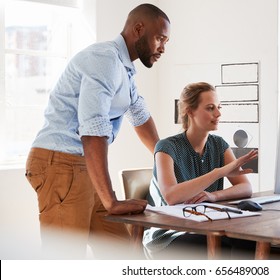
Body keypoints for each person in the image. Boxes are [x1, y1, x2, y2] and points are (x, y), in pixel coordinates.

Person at [24, 3, 170, 259]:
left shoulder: (124, 69)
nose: (163, 48)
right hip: (60, 163)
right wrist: (111, 200)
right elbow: (92, 130)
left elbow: (138, 113)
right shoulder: (105, 59)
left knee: (124, 255)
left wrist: (167, 160)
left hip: (83, 166)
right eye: (160, 38)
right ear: (138, 29)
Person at [143, 82, 258, 259]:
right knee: (228, 248)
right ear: (190, 111)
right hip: (170, 235)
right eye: (210, 108)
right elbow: (171, 196)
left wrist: (214, 196)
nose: (218, 114)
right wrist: (218, 172)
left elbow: (246, 187)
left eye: (218, 108)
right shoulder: (166, 147)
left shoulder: (219, 144)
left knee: (249, 241)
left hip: (207, 227)